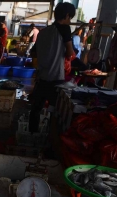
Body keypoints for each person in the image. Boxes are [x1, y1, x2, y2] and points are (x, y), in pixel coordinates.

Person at [29, 2, 76, 133]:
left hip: (42, 78)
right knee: (56, 113)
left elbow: (33, 53)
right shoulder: (65, 30)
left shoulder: (44, 32)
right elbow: (70, 53)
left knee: (36, 110)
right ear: (66, 15)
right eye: (70, 18)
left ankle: (33, 135)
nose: (69, 21)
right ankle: (50, 139)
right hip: (56, 79)